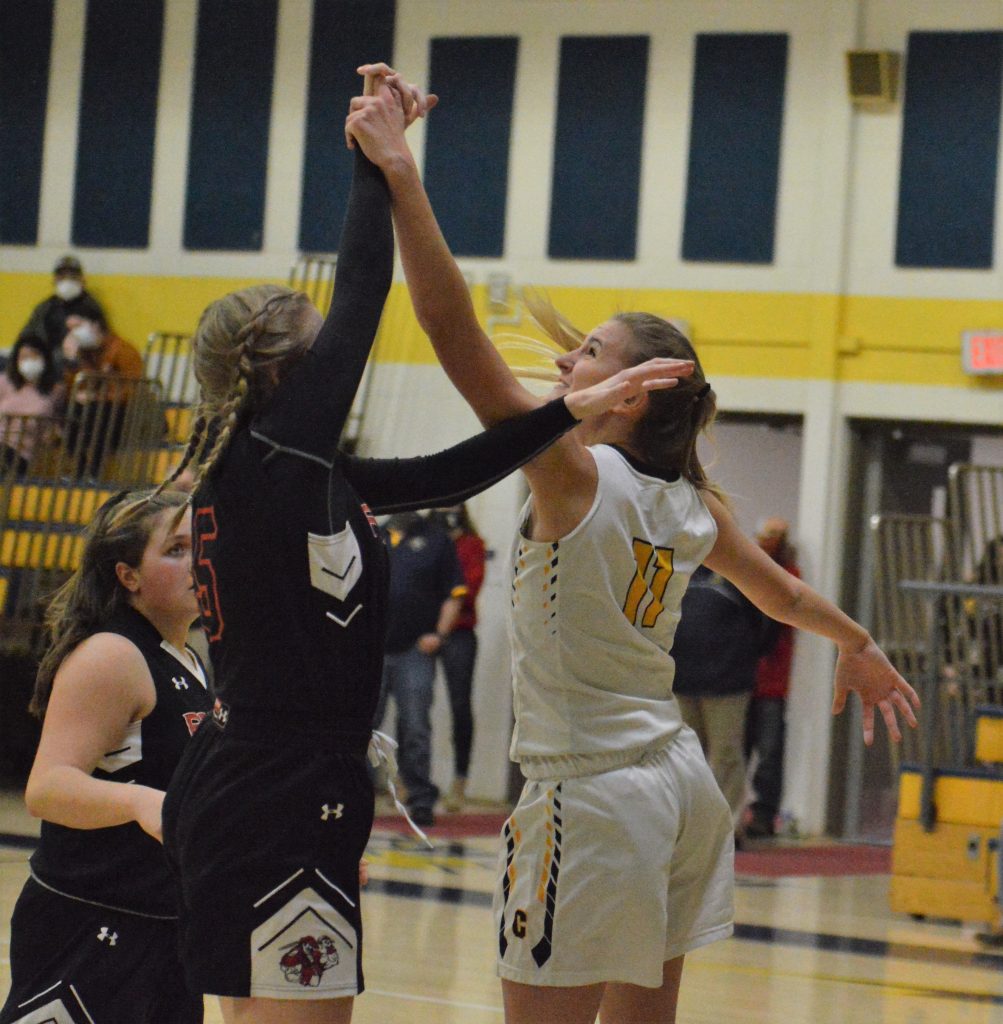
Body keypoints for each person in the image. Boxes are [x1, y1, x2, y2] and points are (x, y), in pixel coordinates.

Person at [349, 63, 921, 1024]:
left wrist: (402, 175)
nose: (564, 360)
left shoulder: (572, 472)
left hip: (590, 793)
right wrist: (856, 643)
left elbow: (450, 329)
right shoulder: (693, 503)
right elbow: (781, 596)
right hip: (676, 782)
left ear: (633, 392)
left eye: (589, 353)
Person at [160, 79, 684, 1024]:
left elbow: (450, 472)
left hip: (268, 776)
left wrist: (569, 410)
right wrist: (378, 157)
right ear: (283, 371)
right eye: (318, 350)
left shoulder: (295, 471)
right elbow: (362, 295)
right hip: (277, 779)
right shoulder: (274, 455)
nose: (338, 359)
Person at [0, 488, 211, 1024]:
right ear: (128, 575)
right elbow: (47, 787)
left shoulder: (187, 658)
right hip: (90, 923)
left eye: (202, 544)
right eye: (176, 549)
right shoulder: (112, 654)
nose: (198, 561)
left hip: (165, 927)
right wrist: (141, 803)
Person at [375, 511, 466, 826]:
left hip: (414, 650)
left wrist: (439, 634)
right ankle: (350, 793)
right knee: (361, 726)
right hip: (371, 651)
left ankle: (420, 798)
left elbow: (455, 592)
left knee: (415, 726)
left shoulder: (437, 541)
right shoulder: (374, 536)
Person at [671, 563, 776, 837]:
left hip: (728, 682)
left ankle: (727, 829)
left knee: (726, 755)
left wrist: (743, 658)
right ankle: (688, 829)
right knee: (684, 756)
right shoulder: (680, 568)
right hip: (682, 678)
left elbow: (766, 624)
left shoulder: (739, 572)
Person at [429, 503, 487, 811]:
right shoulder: (425, 540)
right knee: (413, 703)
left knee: (460, 705)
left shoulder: (472, 544)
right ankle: (411, 779)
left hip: (460, 632)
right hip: (423, 631)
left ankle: (460, 781)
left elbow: (469, 587)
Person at [745, 517, 801, 839]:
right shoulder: (745, 571)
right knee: (736, 753)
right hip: (740, 678)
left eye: (774, 537)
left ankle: (764, 815)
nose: (766, 542)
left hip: (773, 682)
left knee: (769, 754)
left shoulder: (788, 575)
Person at [61, 314, 144, 477]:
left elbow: (131, 388)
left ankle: (95, 470)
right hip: (91, 408)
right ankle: (79, 467)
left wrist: (99, 397)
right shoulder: (82, 353)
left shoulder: (122, 349)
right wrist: (71, 361)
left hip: (121, 411)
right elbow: (72, 387)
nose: (73, 334)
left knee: (99, 414)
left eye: (77, 326)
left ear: (96, 325)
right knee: (68, 412)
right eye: (69, 329)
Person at [0, 332, 64, 477]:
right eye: (23, 357)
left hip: (22, 453)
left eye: (34, 356)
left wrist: (53, 433)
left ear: (45, 359)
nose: (28, 362)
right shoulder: (4, 382)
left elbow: (57, 424)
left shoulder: (56, 390)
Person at [21, 254, 107, 356]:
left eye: (72, 276)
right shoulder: (45, 308)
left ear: (82, 279)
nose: (67, 280)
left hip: (83, 362)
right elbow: (27, 339)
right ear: (54, 280)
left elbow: (104, 342)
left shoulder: (92, 308)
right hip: (50, 362)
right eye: (62, 276)